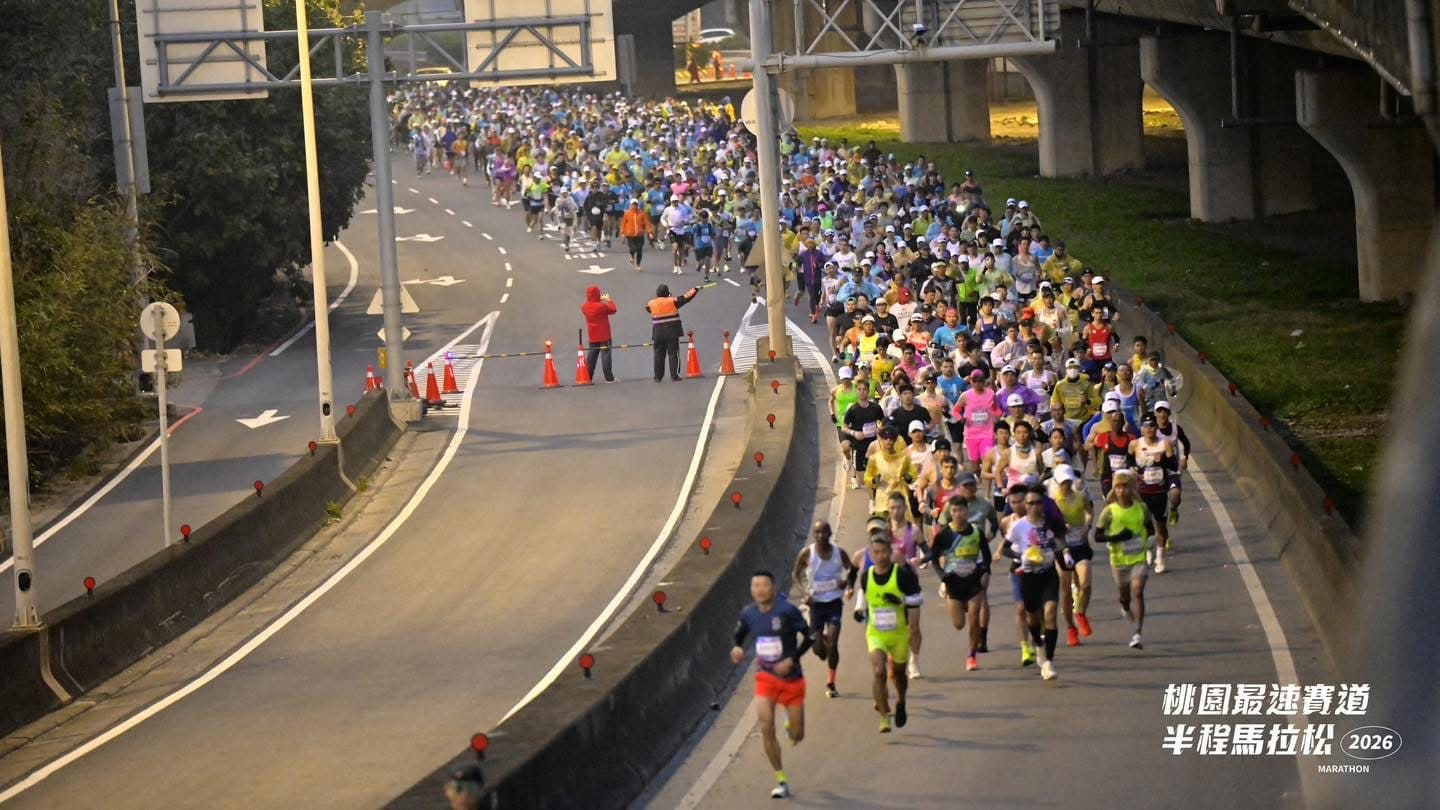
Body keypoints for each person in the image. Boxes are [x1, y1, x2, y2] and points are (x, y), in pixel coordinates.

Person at [731, 571, 814, 799]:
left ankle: (791, 725)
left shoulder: (787, 611)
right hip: (766, 678)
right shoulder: (749, 613)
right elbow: (740, 634)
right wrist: (737, 647)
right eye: (755, 585)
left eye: (764, 585)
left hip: (792, 680)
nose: (759, 589)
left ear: (773, 588)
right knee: (766, 726)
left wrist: (793, 659)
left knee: (797, 735)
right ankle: (781, 779)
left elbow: (811, 636)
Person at [848, 530, 923, 733]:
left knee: (899, 675)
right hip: (876, 633)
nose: (880, 556)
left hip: (898, 634)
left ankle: (900, 701)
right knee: (879, 671)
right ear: (871, 554)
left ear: (890, 552)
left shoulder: (902, 575)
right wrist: (859, 609)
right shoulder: (867, 576)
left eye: (883, 552)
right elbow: (864, 592)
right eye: (876, 552)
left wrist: (901, 601)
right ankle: (883, 715)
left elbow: (918, 598)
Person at [1000, 484, 1072, 680]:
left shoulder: (1051, 523)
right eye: (1030, 503)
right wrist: (1021, 555)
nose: (1034, 506)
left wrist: (1065, 557)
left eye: (1038, 502)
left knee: (1050, 613)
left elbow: (1060, 542)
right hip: (1028, 576)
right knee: (1033, 618)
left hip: (1048, 574)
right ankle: (1038, 645)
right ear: (1025, 505)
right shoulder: (1019, 526)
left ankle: (1048, 661)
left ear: (1043, 503)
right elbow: (1004, 549)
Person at [1095, 470, 1157, 649]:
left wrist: (1150, 543)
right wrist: (1115, 538)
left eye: (1125, 486)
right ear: (1114, 490)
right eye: (1118, 487)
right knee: (1125, 596)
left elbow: (1150, 529)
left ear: (1131, 488)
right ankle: (1124, 607)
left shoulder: (1141, 509)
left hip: (1138, 557)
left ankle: (1137, 633)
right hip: (1119, 560)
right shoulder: (1109, 511)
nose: (1122, 490)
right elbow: (1097, 536)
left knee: (1138, 591)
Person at [928, 497, 991, 671]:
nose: (958, 514)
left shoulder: (976, 532)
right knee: (959, 624)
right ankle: (961, 605)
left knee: (973, 619)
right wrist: (942, 575)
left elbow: (986, 555)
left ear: (966, 511)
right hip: (954, 584)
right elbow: (933, 556)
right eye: (954, 511)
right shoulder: (945, 535)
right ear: (950, 513)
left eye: (961, 510)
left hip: (973, 582)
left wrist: (984, 570)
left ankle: (972, 656)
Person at [793, 521, 855, 699]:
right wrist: (804, 594)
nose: (821, 535)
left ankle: (831, 683)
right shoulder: (807, 553)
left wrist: (847, 584)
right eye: (818, 532)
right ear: (814, 534)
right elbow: (796, 575)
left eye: (825, 532)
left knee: (834, 643)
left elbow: (851, 568)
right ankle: (822, 641)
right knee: (819, 651)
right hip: (816, 606)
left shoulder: (838, 553)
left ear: (830, 533)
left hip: (834, 603)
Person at [1048, 464, 1094, 645]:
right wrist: (1060, 528)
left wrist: (1088, 526)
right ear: (1057, 483)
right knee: (1066, 591)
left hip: (1080, 545)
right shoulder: (1053, 502)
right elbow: (1048, 526)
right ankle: (1070, 628)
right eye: (1063, 482)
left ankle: (1080, 612)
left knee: (1085, 583)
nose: (1066, 485)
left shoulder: (1081, 497)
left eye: (1068, 481)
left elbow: (1090, 513)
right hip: (1062, 548)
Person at [645, 284, 700, 382]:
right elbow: (686, 297)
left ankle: (658, 377)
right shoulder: (673, 301)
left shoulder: (650, 304)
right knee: (673, 353)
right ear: (667, 293)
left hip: (658, 332)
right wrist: (695, 289)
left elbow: (648, 309)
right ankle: (674, 376)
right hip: (672, 331)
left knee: (658, 354)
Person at [581, 285, 617, 383]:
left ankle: (588, 377)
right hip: (605, 336)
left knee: (592, 356)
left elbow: (594, 307)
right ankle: (609, 378)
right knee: (606, 356)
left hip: (593, 336)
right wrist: (608, 300)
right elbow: (613, 309)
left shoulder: (584, 307)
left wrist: (599, 301)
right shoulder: (602, 306)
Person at [620, 199, 653, 269]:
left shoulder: (642, 213)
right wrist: (623, 234)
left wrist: (650, 232)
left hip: (640, 235)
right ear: (631, 205)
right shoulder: (627, 213)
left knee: (639, 250)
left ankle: (638, 265)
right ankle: (631, 254)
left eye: (636, 204)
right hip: (630, 235)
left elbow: (647, 223)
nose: (634, 206)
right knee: (633, 248)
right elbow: (623, 224)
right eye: (633, 204)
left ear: (638, 205)